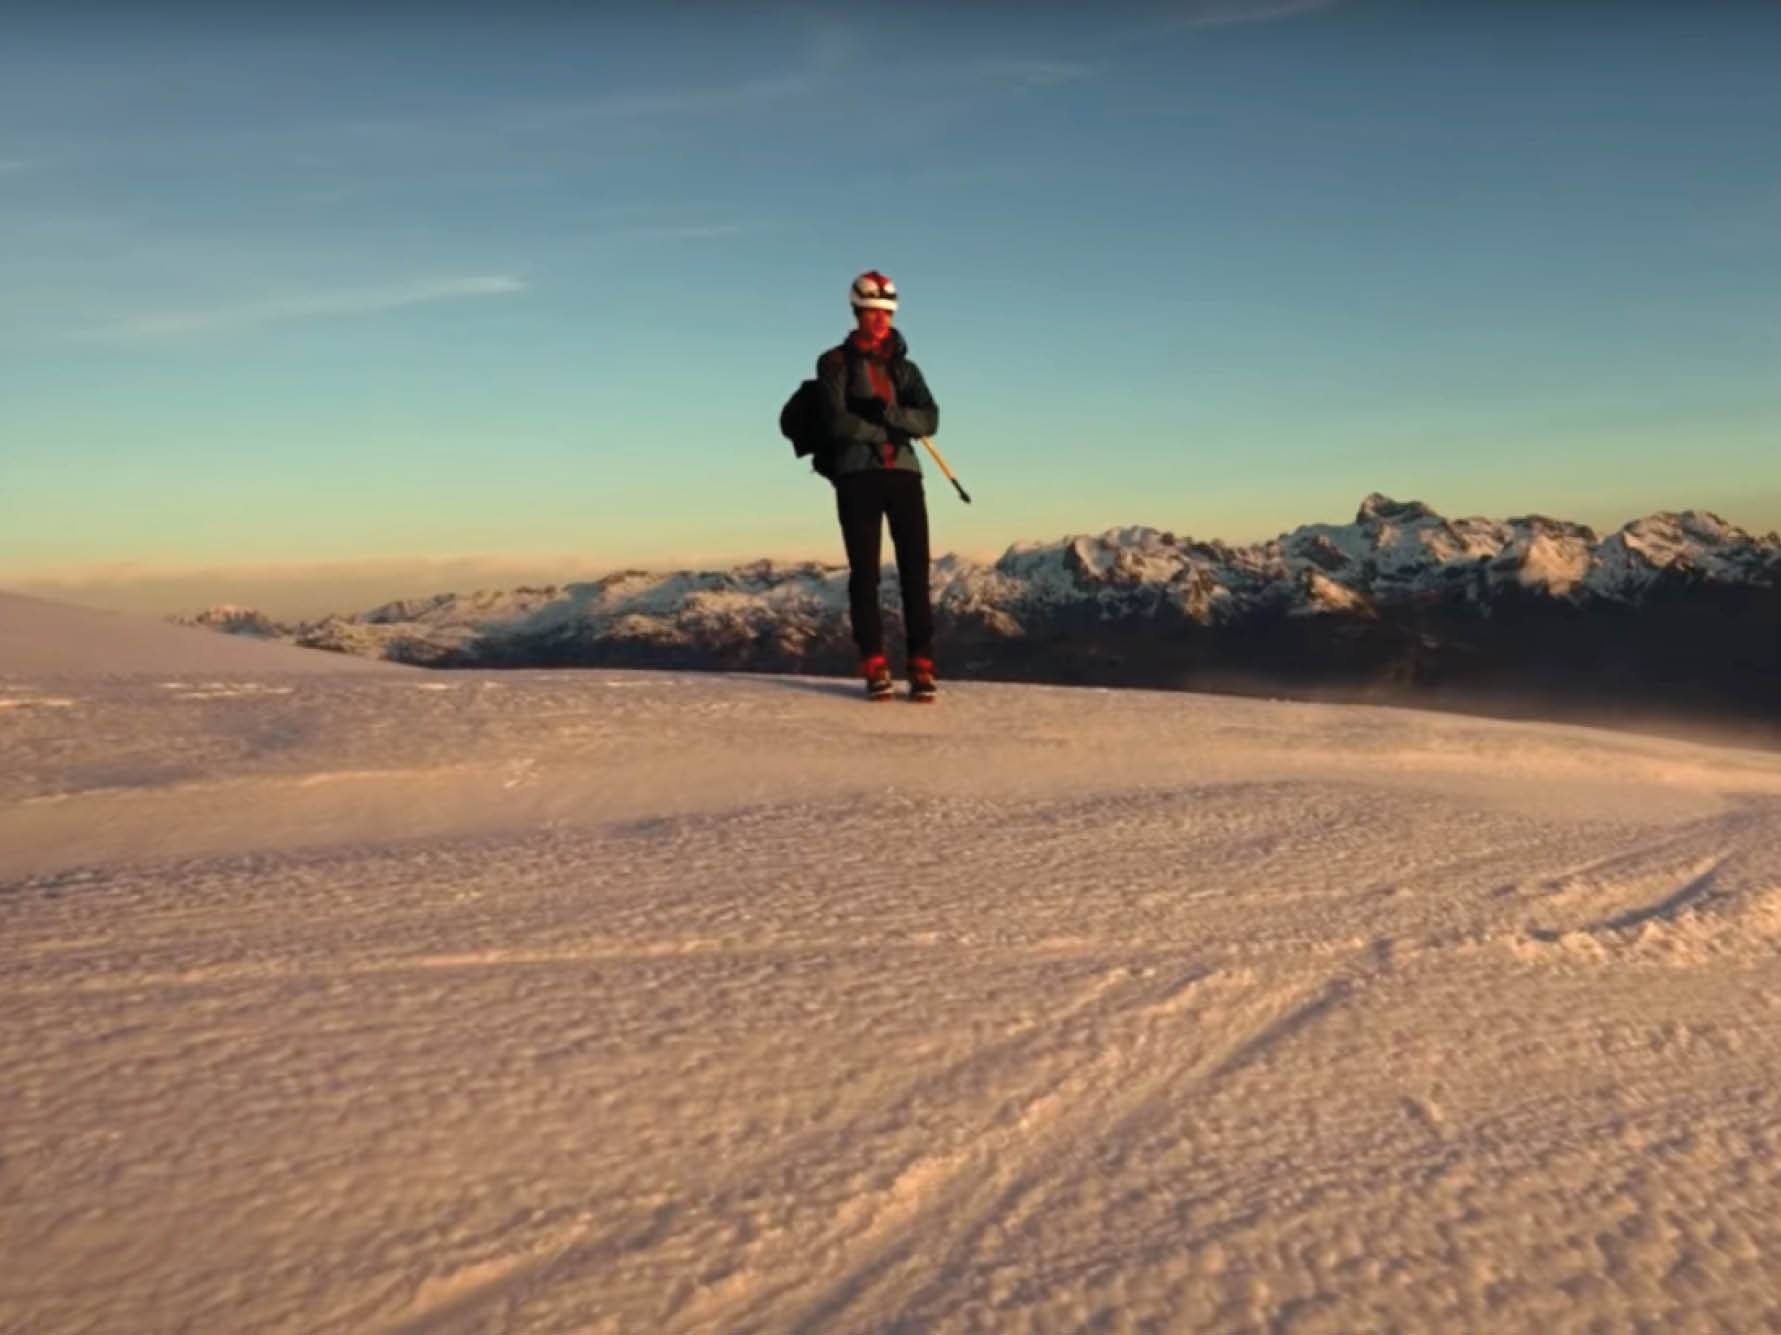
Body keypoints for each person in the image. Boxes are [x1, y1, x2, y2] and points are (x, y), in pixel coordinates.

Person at [817, 270, 942, 702]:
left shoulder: (905, 369)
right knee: (865, 572)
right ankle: (874, 662)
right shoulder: (834, 363)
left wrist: (887, 416)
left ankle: (921, 662)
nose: (880, 320)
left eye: (886, 313)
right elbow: (836, 423)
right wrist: (890, 428)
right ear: (857, 312)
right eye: (873, 313)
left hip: (903, 476)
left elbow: (931, 419)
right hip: (858, 476)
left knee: (915, 571)